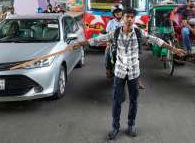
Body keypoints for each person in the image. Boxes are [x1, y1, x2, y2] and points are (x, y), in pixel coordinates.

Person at [70, 8, 186, 140]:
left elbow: (155, 40)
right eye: (127, 16)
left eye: (132, 17)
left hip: (134, 72)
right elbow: (97, 39)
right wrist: (80, 43)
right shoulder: (115, 32)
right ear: (123, 18)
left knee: (134, 100)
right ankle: (115, 127)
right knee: (116, 101)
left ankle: (131, 125)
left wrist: (173, 49)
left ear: (134, 19)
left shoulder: (138, 32)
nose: (130, 19)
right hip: (119, 71)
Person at [105, 4, 124, 81]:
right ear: (113, 14)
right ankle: (108, 69)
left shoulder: (125, 21)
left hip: (124, 43)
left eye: (119, 11)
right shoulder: (111, 23)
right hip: (113, 43)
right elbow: (107, 33)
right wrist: (108, 42)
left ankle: (137, 78)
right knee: (107, 53)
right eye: (116, 12)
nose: (118, 13)